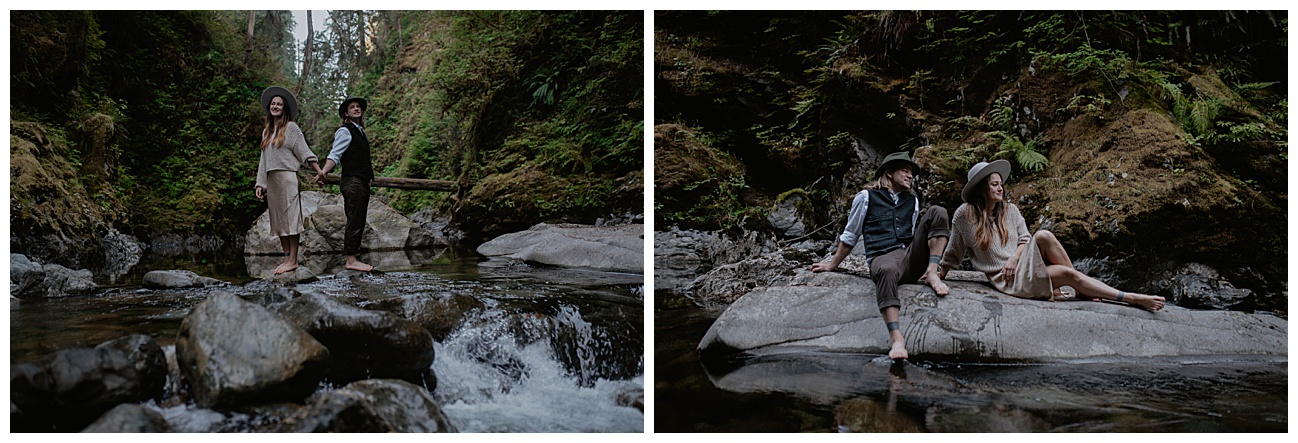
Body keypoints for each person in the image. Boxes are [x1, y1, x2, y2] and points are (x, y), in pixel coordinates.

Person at [939, 160, 1166, 311]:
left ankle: (1082, 289)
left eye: (1001, 184)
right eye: (995, 185)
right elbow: (954, 250)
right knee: (1068, 274)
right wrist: (938, 272)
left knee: (1044, 235)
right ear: (982, 188)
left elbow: (1025, 239)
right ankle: (1132, 298)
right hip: (1007, 279)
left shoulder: (1010, 210)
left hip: (1022, 265)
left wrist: (1015, 258)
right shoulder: (965, 215)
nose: (1001, 189)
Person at [810, 151, 951, 360]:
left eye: (912, 172)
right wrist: (832, 264)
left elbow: (913, 234)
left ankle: (932, 273)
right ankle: (896, 339)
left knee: (938, 211)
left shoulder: (912, 201)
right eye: (905, 170)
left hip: (908, 257)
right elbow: (851, 235)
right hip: (881, 257)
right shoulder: (866, 197)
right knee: (887, 269)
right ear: (889, 172)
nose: (910, 175)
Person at [255, 86, 325, 275]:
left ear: (284, 108)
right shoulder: (267, 131)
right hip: (272, 180)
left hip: (288, 178)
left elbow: (304, 151)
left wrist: (319, 172)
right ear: (269, 107)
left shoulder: (292, 128)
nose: (275, 106)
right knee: (279, 221)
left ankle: (293, 260)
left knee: (291, 220)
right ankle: (287, 258)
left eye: (279, 104)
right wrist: (260, 183)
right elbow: (264, 159)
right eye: (273, 104)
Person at [315, 96, 375, 272]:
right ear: (346, 113)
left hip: (361, 182)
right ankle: (351, 260)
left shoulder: (360, 131)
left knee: (359, 219)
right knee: (354, 220)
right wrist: (323, 172)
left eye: (358, 107)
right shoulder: (345, 131)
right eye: (352, 107)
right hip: (352, 182)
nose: (356, 109)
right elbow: (335, 154)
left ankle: (353, 258)